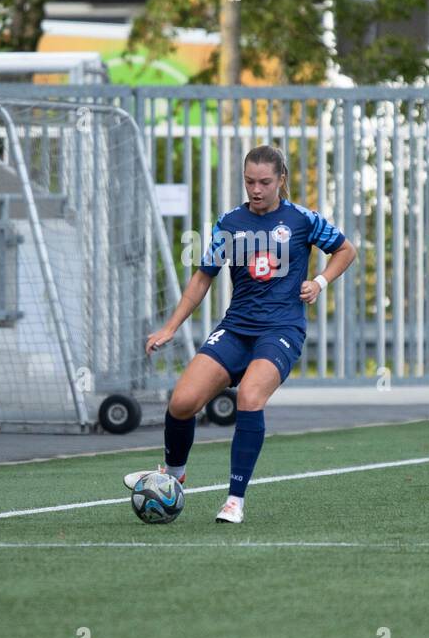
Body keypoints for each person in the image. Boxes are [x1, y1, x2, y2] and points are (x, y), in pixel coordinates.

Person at [123, 145, 357, 523]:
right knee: (182, 402)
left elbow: (346, 250)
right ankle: (174, 475)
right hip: (236, 329)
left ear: (281, 179)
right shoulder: (229, 223)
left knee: (249, 397)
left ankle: (235, 500)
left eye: (265, 182)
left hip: (281, 329)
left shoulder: (302, 219)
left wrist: (320, 281)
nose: (256, 189)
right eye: (249, 181)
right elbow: (202, 278)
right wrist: (170, 327)